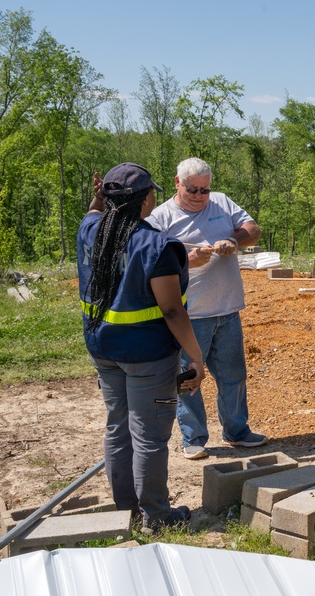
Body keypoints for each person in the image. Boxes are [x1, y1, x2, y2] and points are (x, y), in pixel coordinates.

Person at [77, 163, 206, 532]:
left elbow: (93, 212)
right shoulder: (156, 245)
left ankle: (126, 512)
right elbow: (171, 309)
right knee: (149, 436)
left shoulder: (91, 231)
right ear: (146, 199)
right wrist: (196, 359)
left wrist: (99, 195)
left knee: (118, 428)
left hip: (103, 349)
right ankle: (156, 517)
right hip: (148, 356)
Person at [147, 157, 267, 459]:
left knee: (233, 376)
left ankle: (237, 431)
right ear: (177, 182)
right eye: (193, 190)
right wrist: (186, 261)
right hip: (189, 315)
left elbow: (253, 229)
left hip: (227, 310)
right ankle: (194, 438)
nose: (200, 196)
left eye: (205, 190)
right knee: (189, 379)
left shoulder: (222, 203)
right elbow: (147, 263)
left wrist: (232, 240)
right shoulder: (160, 218)